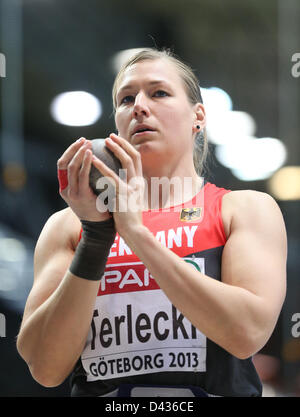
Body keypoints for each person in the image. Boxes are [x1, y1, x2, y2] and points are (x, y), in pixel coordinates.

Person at [17, 48, 287, 397]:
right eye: (126, 99)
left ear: (198, 116)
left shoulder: (242, 209)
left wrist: (135, 233)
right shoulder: (71, 226)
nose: (140, 106)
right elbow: (45, 366)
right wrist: (97, 239)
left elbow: (246, 333)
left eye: (159, 93)